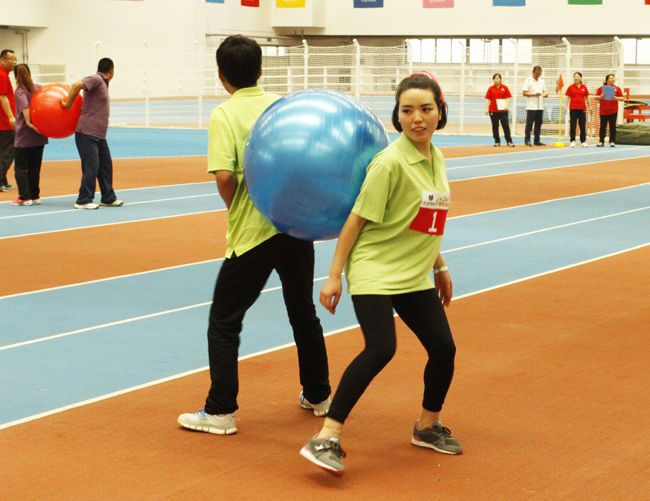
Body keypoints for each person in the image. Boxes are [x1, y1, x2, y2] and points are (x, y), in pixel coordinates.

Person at [300, 72, 461, 478]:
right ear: (397, 115)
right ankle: (327, 435)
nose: (417, 118)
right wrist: (334, 275)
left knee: (443, 348)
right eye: (407, 111)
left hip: (412, 274)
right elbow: (355, 221)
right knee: (381, 348)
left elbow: (423, 221)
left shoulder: (435, 157)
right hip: (374, 268)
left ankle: (427, 426)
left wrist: (439, 266)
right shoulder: (390, 163)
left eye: (426, 109)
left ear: (440, 111)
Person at [177, 35, 331, 436]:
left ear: (221, 75)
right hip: (297, 227)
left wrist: (239, 208)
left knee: (224, 322)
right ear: (262, 70)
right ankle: (318, 396)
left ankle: (220, 411)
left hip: (252, 234)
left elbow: (225, 175)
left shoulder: (225, 115)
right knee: (303, 313)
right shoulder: (283, 105)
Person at [61, 58, 123, 209]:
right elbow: (76, 85)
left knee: (105, 166)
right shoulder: (96, 78)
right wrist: (68, 104)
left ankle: (108, 197)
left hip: (99, 135)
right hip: (87, 132)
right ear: (112, 70)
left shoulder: (103, 83)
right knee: (91, 167)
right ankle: (83, 200)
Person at [11, 64, 48, 206]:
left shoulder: (20, 91)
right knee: (34, 167)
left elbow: (25, 108)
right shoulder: (39, 88)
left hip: (25, 137)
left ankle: (24, 196)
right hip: (40, 136)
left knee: (20, 167)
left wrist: (29, 123)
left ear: (15, 76)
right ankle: (35, 195)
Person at [0, 49, 17, 192]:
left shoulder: (4, 75)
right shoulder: (2, 75)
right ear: (2, 60)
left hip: (3, 122)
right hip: (4, 123)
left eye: (15, 59)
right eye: (11, 59)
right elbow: (2, 96)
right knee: (8, 153)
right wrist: (11, 116)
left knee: (2, 151)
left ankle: (3, 180)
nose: (14, 62)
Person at [594, 73, 625, 148]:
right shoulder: (601, 88)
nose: (613, 79)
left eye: (613, 78)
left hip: (613, 110)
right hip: (603, 111)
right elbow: (596, 97)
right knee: (602, 126)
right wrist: (601, 96)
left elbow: (622, 98)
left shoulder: (617, 89)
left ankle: (612, 141)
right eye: (611, 78)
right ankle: (601, 141)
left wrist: (616, 98)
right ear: (607, 80)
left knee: (613, 126)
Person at [485, 73, 514, 147]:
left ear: (500, 79)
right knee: (495, 126)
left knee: (506, 126)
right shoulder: (490, 89)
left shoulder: (505, 88)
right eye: (494, 79)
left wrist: (506, 106)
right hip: (493, 110)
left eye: (497, 78)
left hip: (503, 111)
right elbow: (487, 99)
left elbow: (508, 97)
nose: (496, 80)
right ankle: (497, 141)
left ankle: (509, 141)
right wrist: (486, 109)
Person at [522, 65, 549, 146]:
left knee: (538, 123)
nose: (537, 76)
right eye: (536, 74)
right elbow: (524, 92)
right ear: (533, 72)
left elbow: (544, 91)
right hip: (531, 106)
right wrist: (534, 94)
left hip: (540, 106)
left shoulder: (541, 81)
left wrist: (545, 94)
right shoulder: (528, 80)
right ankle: (527, 140)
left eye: (539, 74)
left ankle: (537, 140)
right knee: (529, 124)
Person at [564, 72, 590, 148]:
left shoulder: (584, 87)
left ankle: (583, 141)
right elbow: (567, 98)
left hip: (582, 109)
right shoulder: (570, 87)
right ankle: (572, 141)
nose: (576, 78)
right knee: (573, 125)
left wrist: (590, 106)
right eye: (575, 77)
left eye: (578, 77)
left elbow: (587, 97)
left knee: (582, 125)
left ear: (581, 78)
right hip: (573, 109)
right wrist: (566, 107)